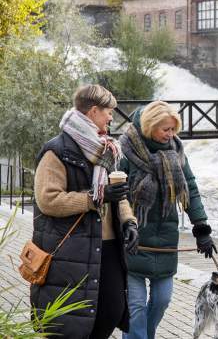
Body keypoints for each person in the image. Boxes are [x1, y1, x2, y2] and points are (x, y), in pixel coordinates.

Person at [32, 84, 139, 338]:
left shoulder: (108, 149)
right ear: (93, 112)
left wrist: (129, 221)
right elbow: (48, 200)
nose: (112, 117)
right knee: (72, 324)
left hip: (109, 247)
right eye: (108, 112)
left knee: (112, 310)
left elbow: (117, 193)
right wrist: (93, 199)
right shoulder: (56, 150)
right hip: (71, 250)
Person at [119, 100, 216, 339]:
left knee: (162, 301)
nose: (170, 134)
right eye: (166, 129)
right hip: (132, 239)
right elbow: (115, 194)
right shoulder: (126, 152)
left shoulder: (176, 152)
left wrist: (201, 228)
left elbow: (190, 190)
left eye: (173, 129)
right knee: (137, 305)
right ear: (150, 126)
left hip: (164, 242)